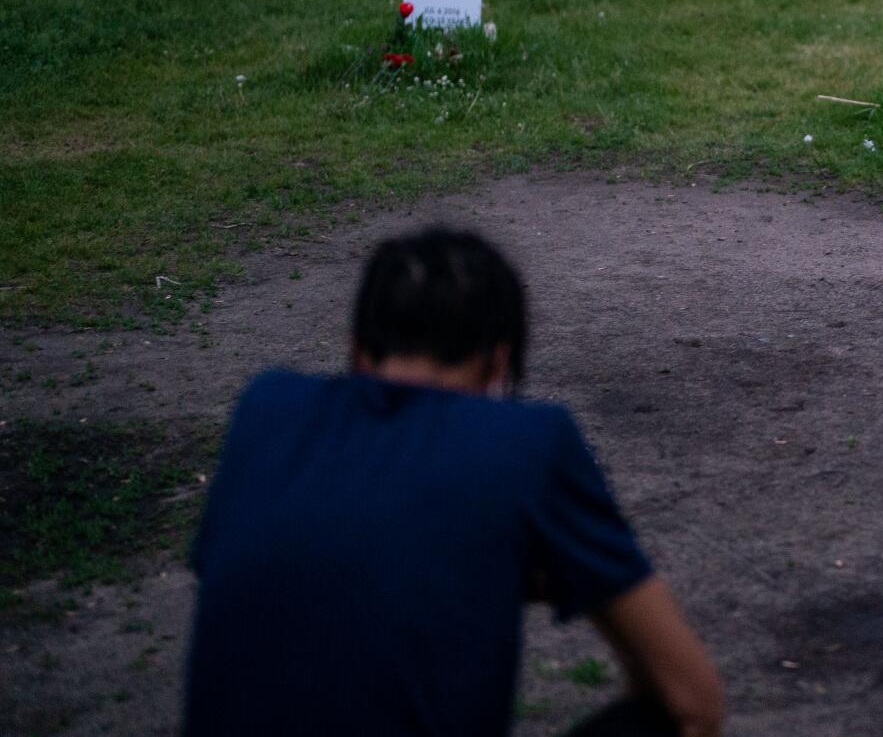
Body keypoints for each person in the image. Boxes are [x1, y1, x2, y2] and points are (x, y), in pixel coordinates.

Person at [183, 229, 725, 737]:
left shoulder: (266, 410)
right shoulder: (529, 442)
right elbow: (692, 704)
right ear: (498, 362)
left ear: (358, 352)